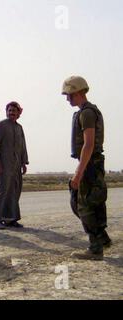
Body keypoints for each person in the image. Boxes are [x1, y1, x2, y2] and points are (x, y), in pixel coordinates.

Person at [62, 76, 111, 261]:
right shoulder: (87, 111)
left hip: (90, 163)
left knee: (83, 206)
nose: (68, 99)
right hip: (93, 162)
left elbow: (88, 144)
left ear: (79, 92)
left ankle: (95, 248)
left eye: (70, 95)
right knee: (94, 203)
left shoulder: (87, 113)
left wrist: (78, 173)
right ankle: (102, 238)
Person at [0, 102, 29, 230]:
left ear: (18, 113)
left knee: (14, 191)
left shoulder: (19, 128)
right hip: (3, 165)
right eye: (9, 110)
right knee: (2, 191)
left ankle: (11, 219)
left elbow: (22, 146)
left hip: (15, 165)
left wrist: (24, 162)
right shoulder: (1, 125)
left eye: (14, 111)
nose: (11, 113)